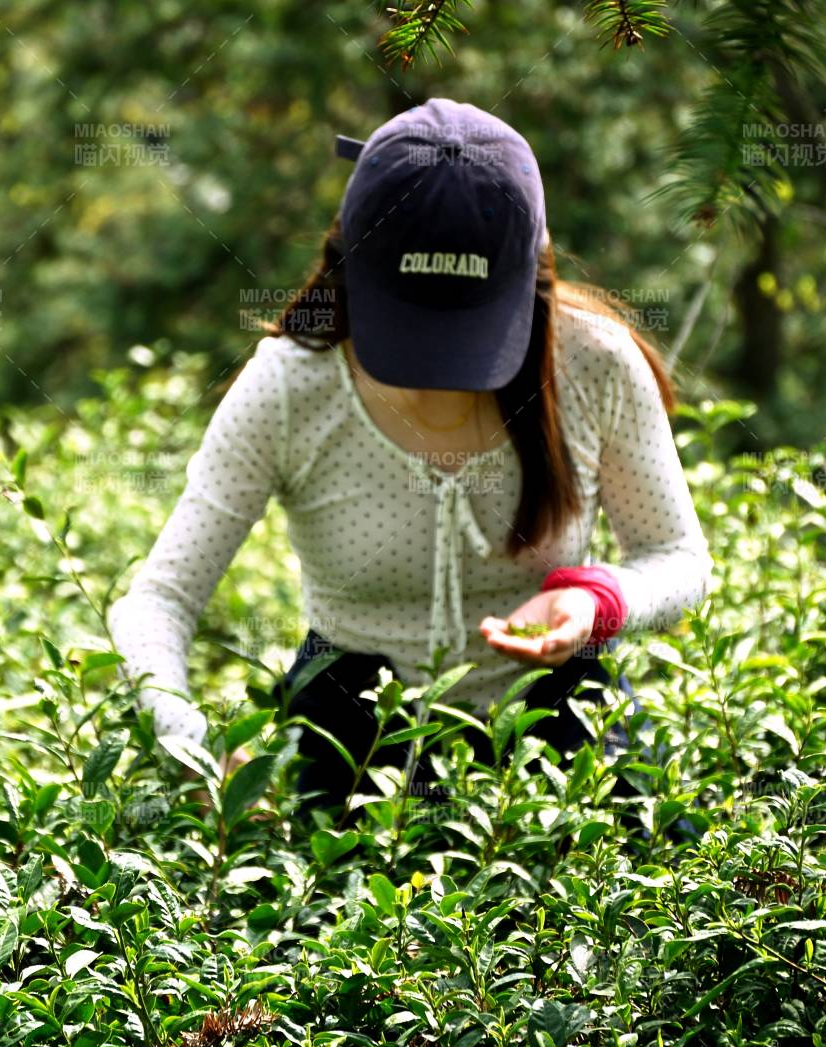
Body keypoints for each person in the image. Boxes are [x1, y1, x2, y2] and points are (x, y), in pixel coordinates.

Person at [109, 98, 713, 812]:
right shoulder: (290, 384)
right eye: (408, 328)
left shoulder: (592, 362)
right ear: (350, 268)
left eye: (466, 331)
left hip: (559, 725)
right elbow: (160, 598)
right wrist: (196, 745)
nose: (436, 377)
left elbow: (678, 556)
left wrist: (596, 600)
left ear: (531, 275)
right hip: (350, 734)